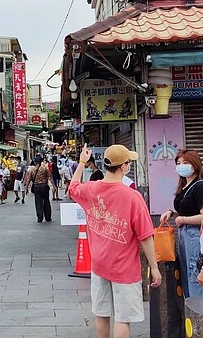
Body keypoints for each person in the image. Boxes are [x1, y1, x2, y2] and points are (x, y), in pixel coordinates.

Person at [68, 144, 162, 338]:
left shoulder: (92, 189)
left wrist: (82, 162)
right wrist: (154, 267)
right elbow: (145, 236)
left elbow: (73, 187)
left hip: (99, 264)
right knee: (122, 317)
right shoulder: (132, 197)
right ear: (124, 167)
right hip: (124, 268)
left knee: (101, 313)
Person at [160, 149, 203, 298]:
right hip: (184, 233)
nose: (181, 166)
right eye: (178, 163)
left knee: (194, 274)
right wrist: (172, 212)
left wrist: (183, 220)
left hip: (194, 233)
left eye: (185, 162)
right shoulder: (185, 186)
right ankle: (190, 315)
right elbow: (188, 209)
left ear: (195, 164)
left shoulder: (199, 185)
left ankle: (197, 315)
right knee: (185, 275)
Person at [26, 155, 53, 223]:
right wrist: (54, 185)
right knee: (46, 201)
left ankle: (40, 217)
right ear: (41, 162)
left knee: (38, 202)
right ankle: (48, 217)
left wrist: (26, 188)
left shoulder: (32, 170)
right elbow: (50, 177)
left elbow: (28, 179)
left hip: (36, 187)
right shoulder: (45, 169)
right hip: (44, 186)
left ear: (35, 162)